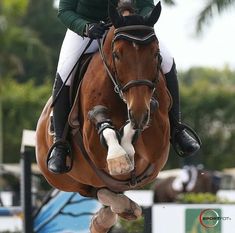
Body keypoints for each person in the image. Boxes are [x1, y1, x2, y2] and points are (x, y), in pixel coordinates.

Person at [47, 0, 201, 174]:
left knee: (167, 61)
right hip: (87, 31)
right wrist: (85, 27)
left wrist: (139, 19)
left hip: (129, 29)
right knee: (65, 70)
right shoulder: (85, 27)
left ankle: (177, 129)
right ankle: (60, 143)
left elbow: (146, 5)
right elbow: (65, 11)